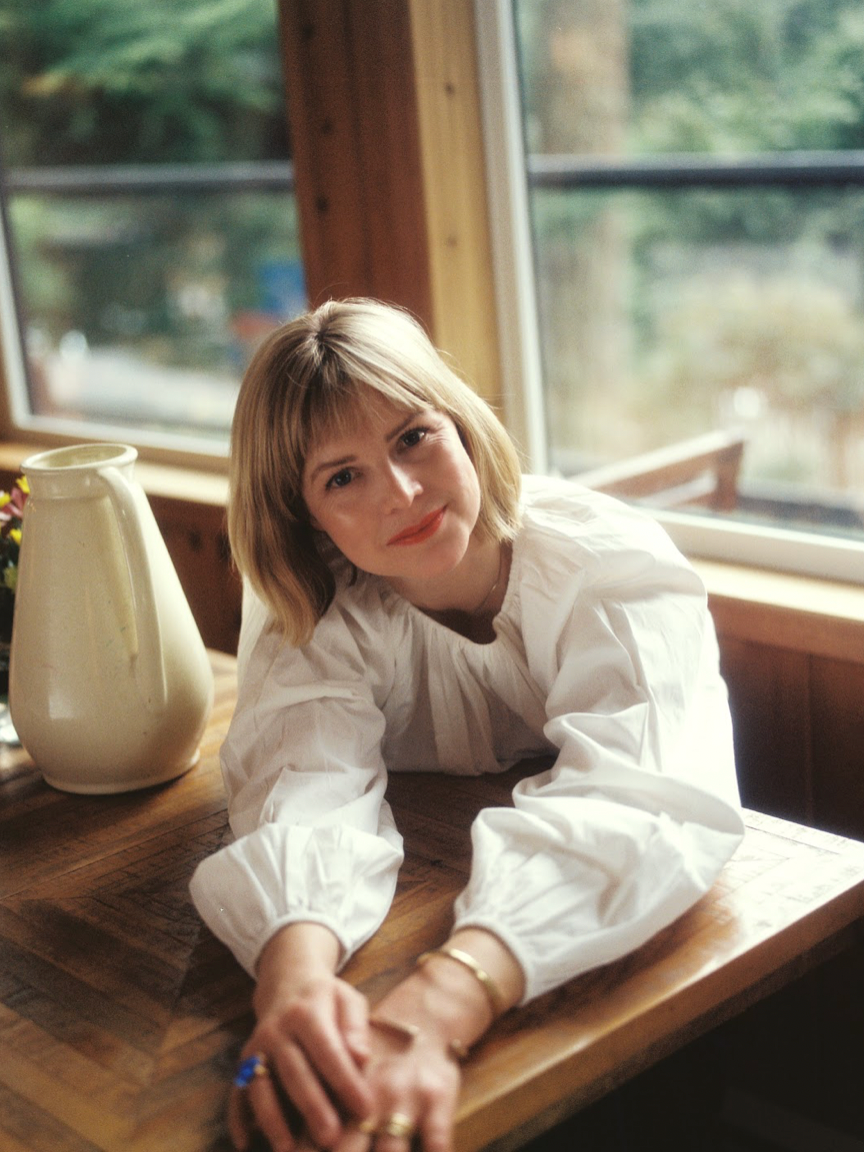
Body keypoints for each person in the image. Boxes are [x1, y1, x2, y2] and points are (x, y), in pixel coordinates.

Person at [189, 297, 744, 1152]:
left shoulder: (607, 561)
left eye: (413, 436)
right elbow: (303, 782)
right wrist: (294, 979)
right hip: (431, 895)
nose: (402, 493)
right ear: (306, 516)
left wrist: (438, 1003)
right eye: (343, 477)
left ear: (461, 422)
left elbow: (644, 798)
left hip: (635, 944)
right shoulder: (313, 601)